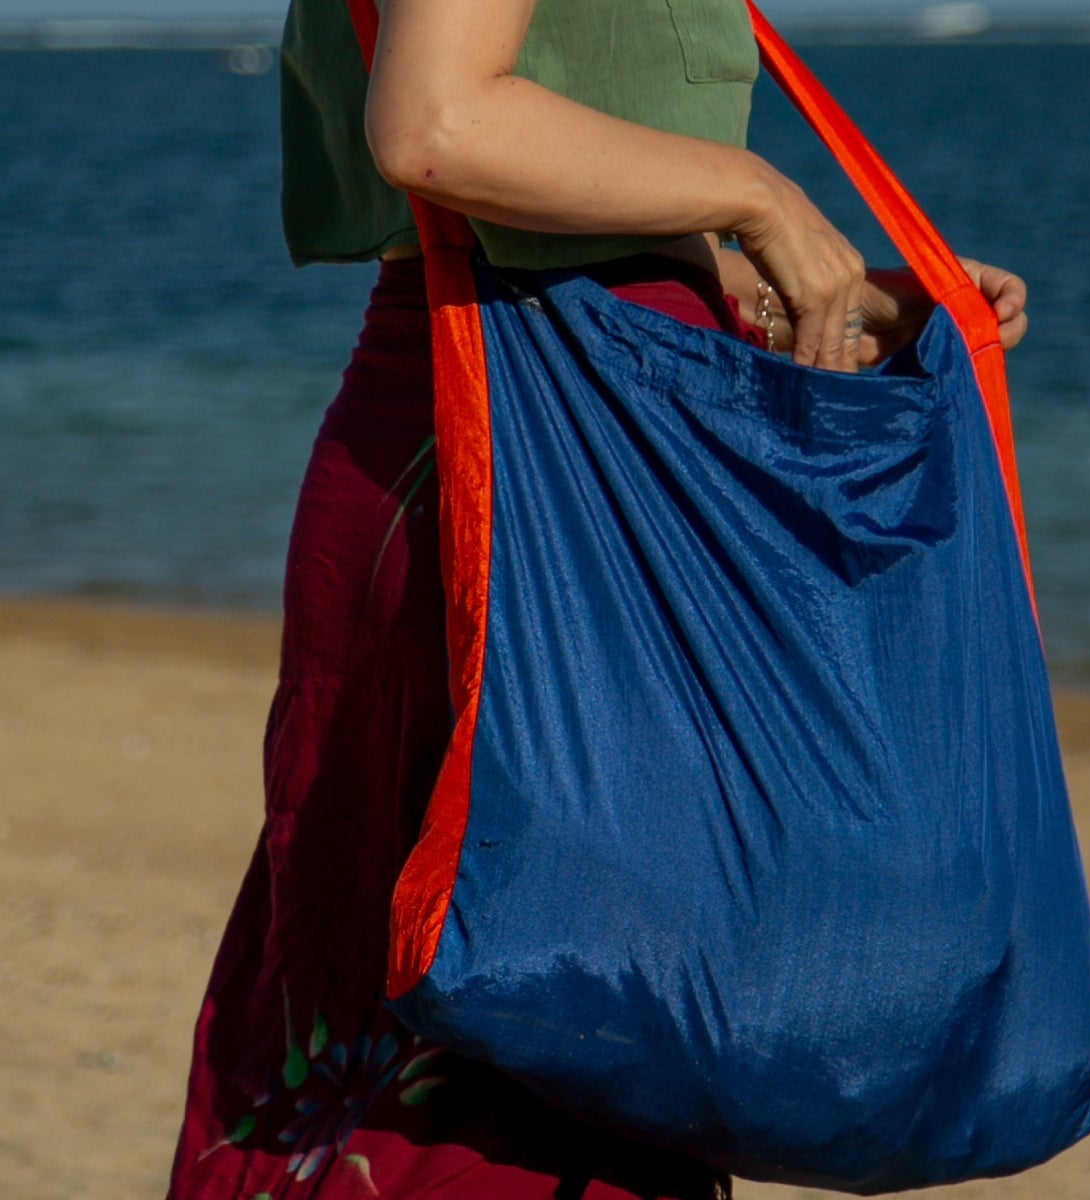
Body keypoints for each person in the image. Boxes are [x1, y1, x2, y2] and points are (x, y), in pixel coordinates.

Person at [166, 0, 1028, 1196]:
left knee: (450, 999)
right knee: (568, 995)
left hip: (503, 411)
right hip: (540, 444)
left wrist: (788, 297)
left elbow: (512, 194)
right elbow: (439, 127)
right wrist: (760, 197)